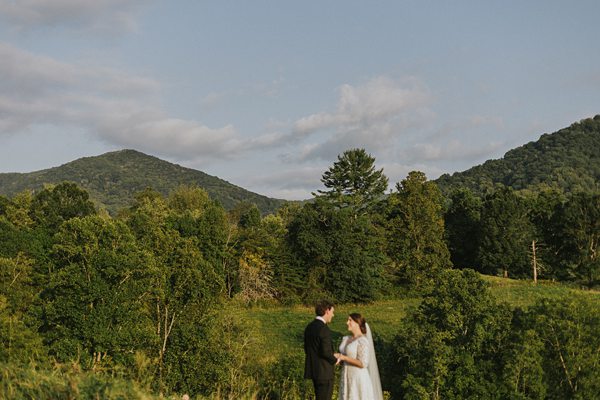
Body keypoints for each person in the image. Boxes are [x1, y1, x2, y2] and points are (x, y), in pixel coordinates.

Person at [335, 313, 383, 400]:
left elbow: (363, 363)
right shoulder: (346, 339)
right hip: (346, 376)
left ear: (358, 323)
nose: (347, 322)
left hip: (357, 378)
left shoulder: (362, 341)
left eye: (350, 320)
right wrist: (339, 360)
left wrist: (344, 357)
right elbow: (345, 357)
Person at [304, 300, 338, 400]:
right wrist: (335, 359)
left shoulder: (309, 327)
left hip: (314, 371)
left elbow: (307, 348)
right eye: (332, 312)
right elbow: (326, 352)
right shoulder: (324, 329)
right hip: (324, 373)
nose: (333, 315)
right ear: (327, 311)